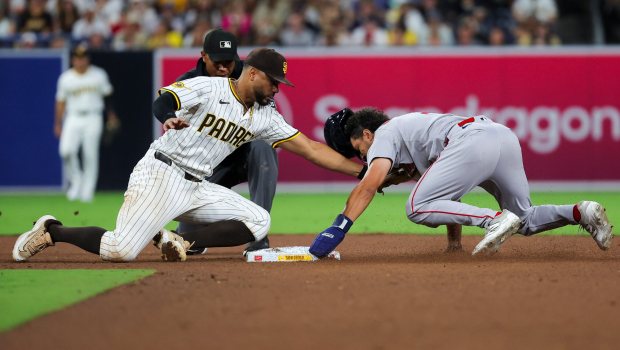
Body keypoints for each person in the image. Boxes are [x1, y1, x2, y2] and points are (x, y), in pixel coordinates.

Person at [13, 48, 365, 263]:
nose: (276, 89)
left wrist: (361, 173)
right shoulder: (210, 86)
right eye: (273, 82)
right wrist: (167, 117)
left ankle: (181, 240)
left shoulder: (265, 115)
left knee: (259, 221)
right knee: (121, 249)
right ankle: (52, 230)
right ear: (253, 73)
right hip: (161, 172)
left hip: (198, 186)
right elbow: (164, 98)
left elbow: (311, 149)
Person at [309, 108, 614, 258]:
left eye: (357, 149)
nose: (362, 156)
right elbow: (445, 198)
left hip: (472, 142)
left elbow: (368, 186)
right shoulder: (410, 140)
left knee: (415, 207)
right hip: (501, 137)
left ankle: (495, 220)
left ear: (366, 134)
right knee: (524, 220)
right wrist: (454, 242)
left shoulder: (384, 135)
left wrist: (340, 226)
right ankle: (580, 211)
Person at [172, 28, 276, 254]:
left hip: (243, 156)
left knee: (264, 147)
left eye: (228, 62)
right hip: (204, 167)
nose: (223, 67)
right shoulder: (189, 83)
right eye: (217, 61)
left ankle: (258, 236)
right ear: (204, 56)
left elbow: (270, 123)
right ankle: (192, 235)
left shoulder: (249, 78)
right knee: (188, 241)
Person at [55, 44, 120, 202]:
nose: (80, 61)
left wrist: (111, 115)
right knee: (66, 151)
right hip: (73, 116)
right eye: (77, 58)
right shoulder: (66, 77)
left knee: (90, 154)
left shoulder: (98, 74)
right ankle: (76, 181)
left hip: (93, 116)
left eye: (83, 58)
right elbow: (61, 102)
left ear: (87, 59)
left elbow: (107, 96)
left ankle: (87, 191)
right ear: (73, 60)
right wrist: (57, 122)